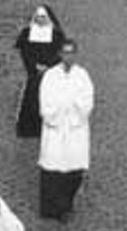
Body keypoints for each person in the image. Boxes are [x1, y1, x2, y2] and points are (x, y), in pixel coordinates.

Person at [37, 39, 94, 221]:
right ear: (60, 54)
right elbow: (45, 100)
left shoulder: (82, 76)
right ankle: (50, 208)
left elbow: (87, 100)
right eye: (65, 53)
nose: (68, 57)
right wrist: (59, 109)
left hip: (75, 128)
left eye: (72, 53)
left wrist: (74, 108)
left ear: (76, 55)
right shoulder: (50, 76)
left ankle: (66, 206)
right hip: (56, 127)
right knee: (52, 168)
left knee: (73, 169)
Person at [15, 5, 66, 138]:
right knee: (32, 98)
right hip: (34, 72)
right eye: (38, 17)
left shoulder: (56, 35)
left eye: (43, 17)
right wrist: (34, 66)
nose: (40, 19)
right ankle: (31, 129)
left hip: (51, 72)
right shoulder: (27, 33)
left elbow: (59, 53)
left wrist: (49, 66)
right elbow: (25, 53)